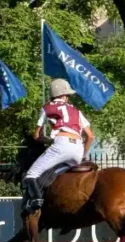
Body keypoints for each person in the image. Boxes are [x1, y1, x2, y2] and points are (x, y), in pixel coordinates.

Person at [22, 79, 95, 215]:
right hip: (78, 150)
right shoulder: (76, 111)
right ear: (64, 96)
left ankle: (37, 200)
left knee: (31, 175)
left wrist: (48, 140)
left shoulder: (46, 107)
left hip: (61, 145)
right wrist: (83, 155)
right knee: (58, 172)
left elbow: (36, 136)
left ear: (53, 95)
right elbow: (90, 136)